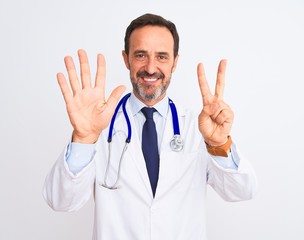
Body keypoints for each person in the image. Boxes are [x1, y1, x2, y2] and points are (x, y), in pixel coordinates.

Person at [43, 13, 258, 240]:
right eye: (141, 55)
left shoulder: (199, 128)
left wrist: (219, 144)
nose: (151, 67)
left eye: (162, 57)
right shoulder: (100, 127)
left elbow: (242, 191)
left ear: (175, 62)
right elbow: (60, 200)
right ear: (126, 59)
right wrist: (83, 138)